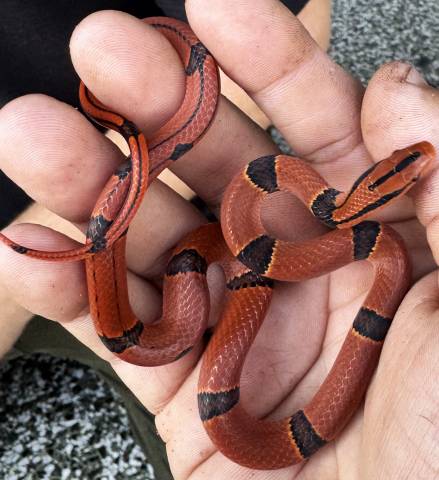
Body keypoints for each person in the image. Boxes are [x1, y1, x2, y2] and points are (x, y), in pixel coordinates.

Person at [0, 0, 437, 478]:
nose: (418, 161)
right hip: (234, 246)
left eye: (408, 173)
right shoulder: (309, 206)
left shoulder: (372, 239)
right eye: (405, 165)